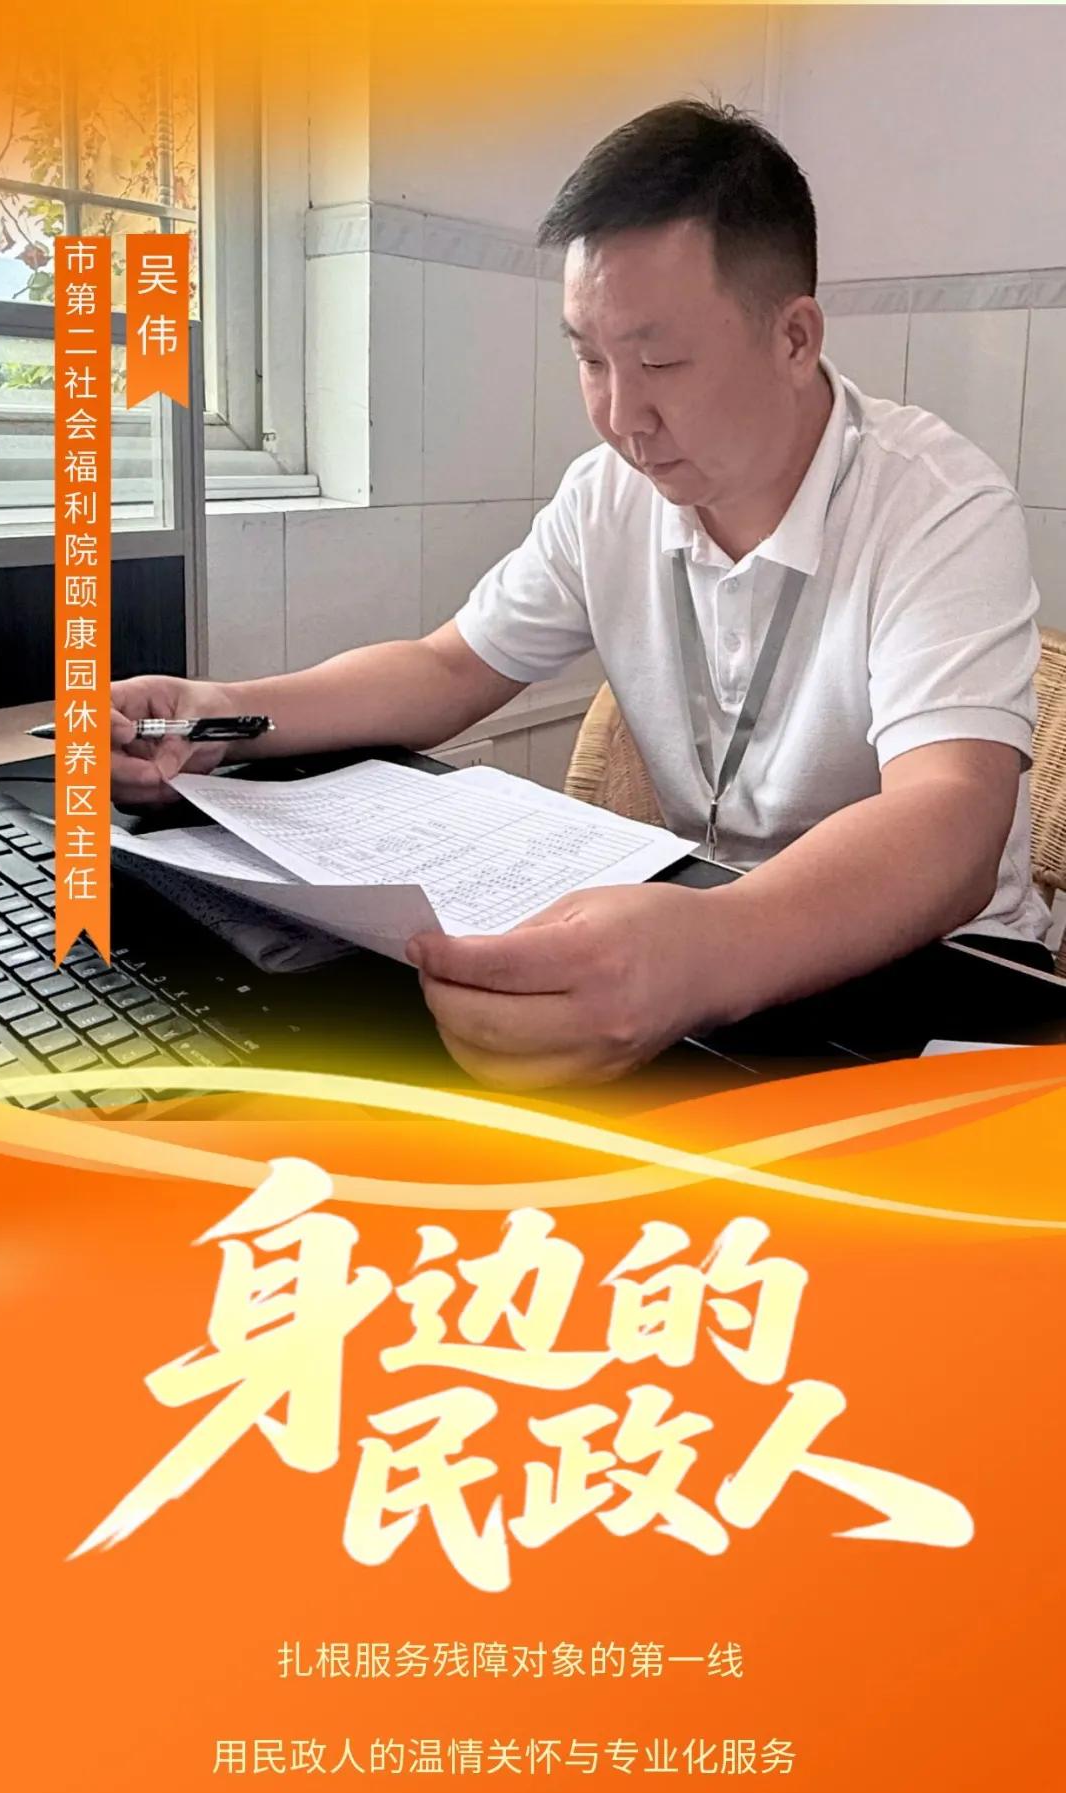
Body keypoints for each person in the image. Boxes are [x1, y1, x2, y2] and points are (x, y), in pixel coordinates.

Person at [111, 99, 1052, 1089]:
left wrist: (712, 948)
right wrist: (221, 713)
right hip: (702, 933)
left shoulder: (937, 503)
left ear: (793, 338)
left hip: (944, 974)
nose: (622, 416)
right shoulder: (610, 494)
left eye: (660, 362)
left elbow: (951, 815)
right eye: (590, 360)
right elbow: (447, 667)